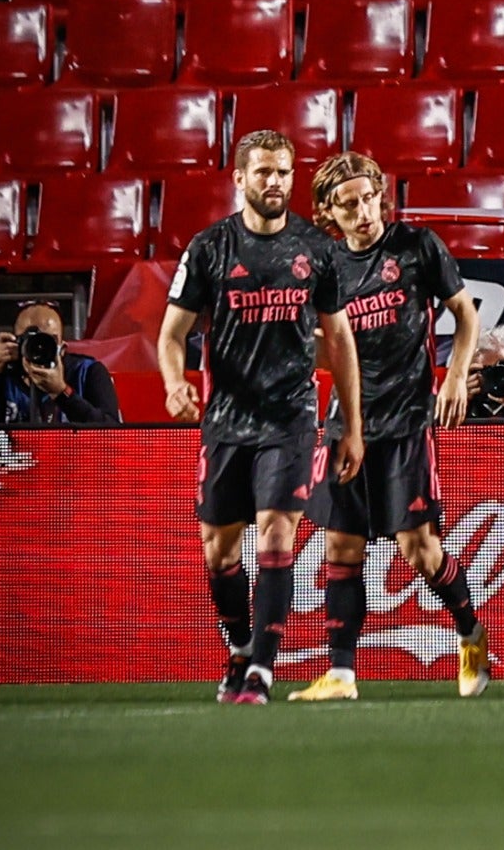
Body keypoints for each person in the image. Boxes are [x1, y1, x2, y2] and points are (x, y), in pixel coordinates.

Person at [158, 129, 364, 705]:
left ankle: (261, 672)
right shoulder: (208, 249)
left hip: (290, 418)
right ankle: (241, 648)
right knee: (219, 551)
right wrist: (175, 384)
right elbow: (171, 334)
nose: (274, 182)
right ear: (240, 179)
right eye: (264, 172)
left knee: (278, 534)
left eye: (283, 172)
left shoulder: (316, 250)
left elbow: (340, 340)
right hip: (226, 420)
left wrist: (352, 423)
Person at [287, 152, 489, 703]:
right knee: (341, 548)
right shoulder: (323, 267)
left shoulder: (416, 246)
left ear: (380, 194)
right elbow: (321, 347)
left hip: (406, 420)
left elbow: (466, 313)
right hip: (347, 424)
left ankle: (471, 634)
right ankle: (342, 674)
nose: (363, 211)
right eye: (348, 204)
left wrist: (453, 376)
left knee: (418, 549)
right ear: (330, 213)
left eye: (368, 198)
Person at [0, 301, 121, 425]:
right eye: (29, 340)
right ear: (16, 343)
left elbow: (114, 435)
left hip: (74, 462)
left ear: (63, 348)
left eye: (49, 341)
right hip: (17, 462)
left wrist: (61, 392)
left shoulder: (87, 372)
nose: (39, 348)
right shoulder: (4, 377)